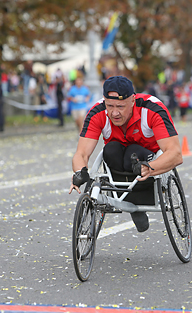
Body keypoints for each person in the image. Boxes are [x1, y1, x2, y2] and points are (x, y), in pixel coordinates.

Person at [68, 76, 182, 232]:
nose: (114, 113)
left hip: (144, 158)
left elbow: (175, 153)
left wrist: (151, 167)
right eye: (110, 106)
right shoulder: (98, 112)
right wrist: (80, 172)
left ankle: (136, 205)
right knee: (110, 149)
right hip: (116, 160)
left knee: (132, 153)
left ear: (133, 101)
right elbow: (81, 154)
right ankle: (132, 206)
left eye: (120, 106)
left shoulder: (152, 109)